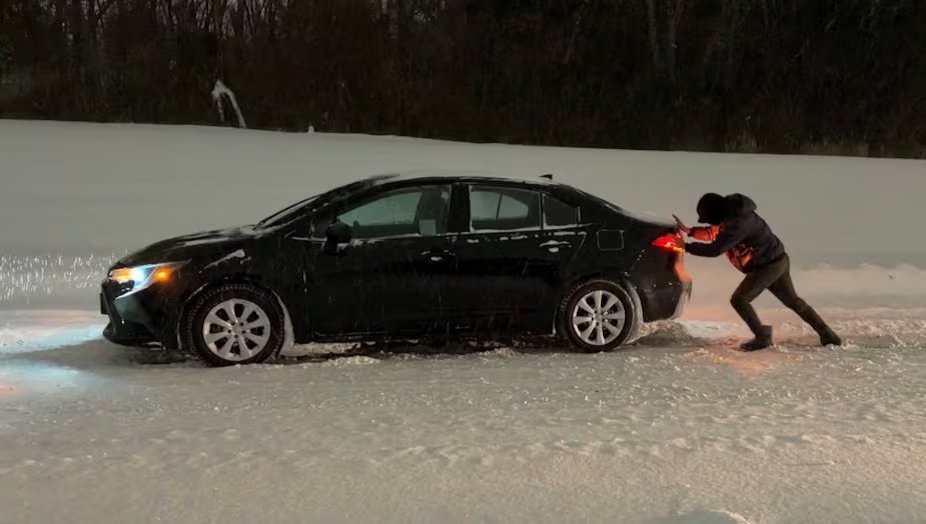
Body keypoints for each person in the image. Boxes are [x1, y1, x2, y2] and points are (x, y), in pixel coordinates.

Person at [673, 193, 842, 351]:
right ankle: (827, 334)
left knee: (740, 299)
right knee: (794, 301)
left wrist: (686, 247)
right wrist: (691, 232)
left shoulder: (738, 224)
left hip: (767, 267)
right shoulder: (733, 215)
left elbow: (716, 249)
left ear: (717, 213)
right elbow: (716, 232)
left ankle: (763, 336)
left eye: (710, 220)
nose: (709, 224)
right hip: (778, 260)